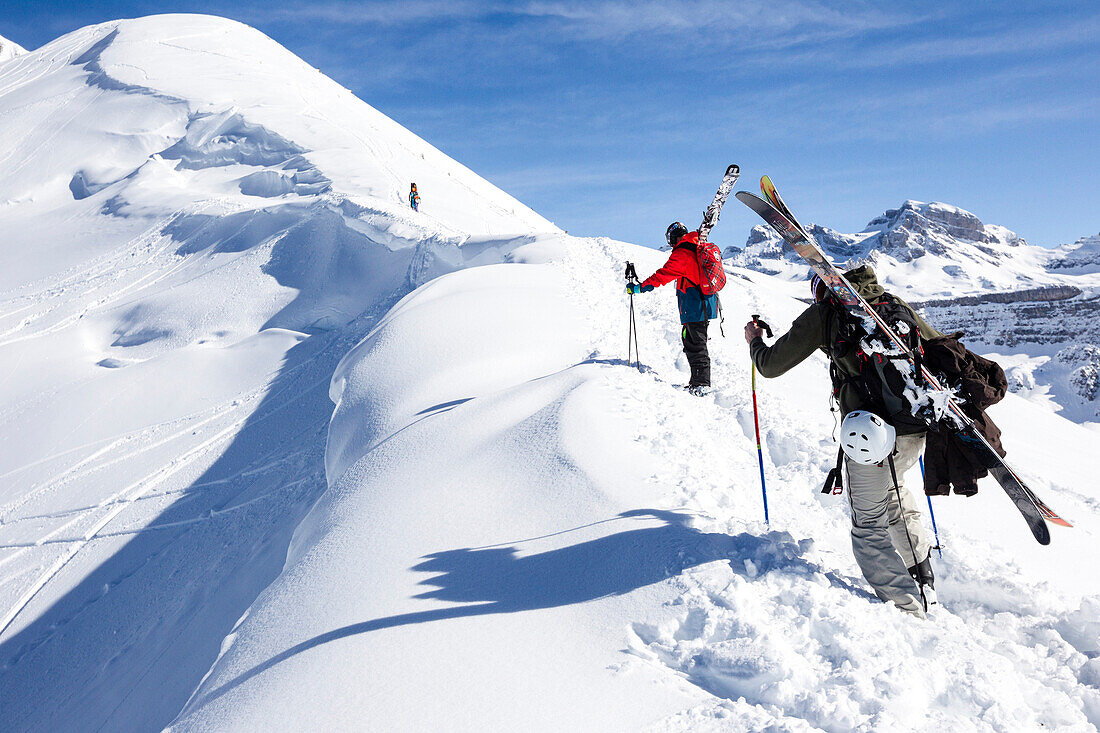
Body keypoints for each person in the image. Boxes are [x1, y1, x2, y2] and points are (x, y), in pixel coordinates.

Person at [743, 266, 940, 618]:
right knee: (894, 499)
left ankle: (910, 612)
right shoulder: (893, 305)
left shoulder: (826, 313)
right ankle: (923, 580)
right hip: (914, 430)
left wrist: (755, 341)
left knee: (868, 528)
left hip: (872, 439)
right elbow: (938, 350)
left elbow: (771, 366)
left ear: (821, 290)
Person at [627, 222, 718, 394]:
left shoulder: (683, 253)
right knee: (692, 342)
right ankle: (697, 382)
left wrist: (640, 288)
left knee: (696, 345)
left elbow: (663, 275)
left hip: (695, 306)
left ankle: (702, 385)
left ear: (673, 238)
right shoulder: (695, 246)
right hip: (701, 305)